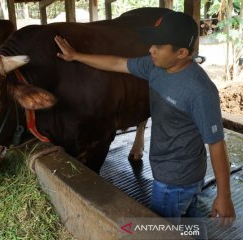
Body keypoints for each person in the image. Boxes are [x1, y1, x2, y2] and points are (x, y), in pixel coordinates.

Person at [54, 10, 235, 238]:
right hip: (173, 174)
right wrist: (76, 56)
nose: (150, 49)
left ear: (181, 53)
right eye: (151, 43)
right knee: (190, 223)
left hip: (175, 180)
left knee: (158, 232)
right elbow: (117, 63)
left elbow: (217, 144)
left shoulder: (200, 90)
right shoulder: (155, 67)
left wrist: (224, 196)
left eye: (159, 46)